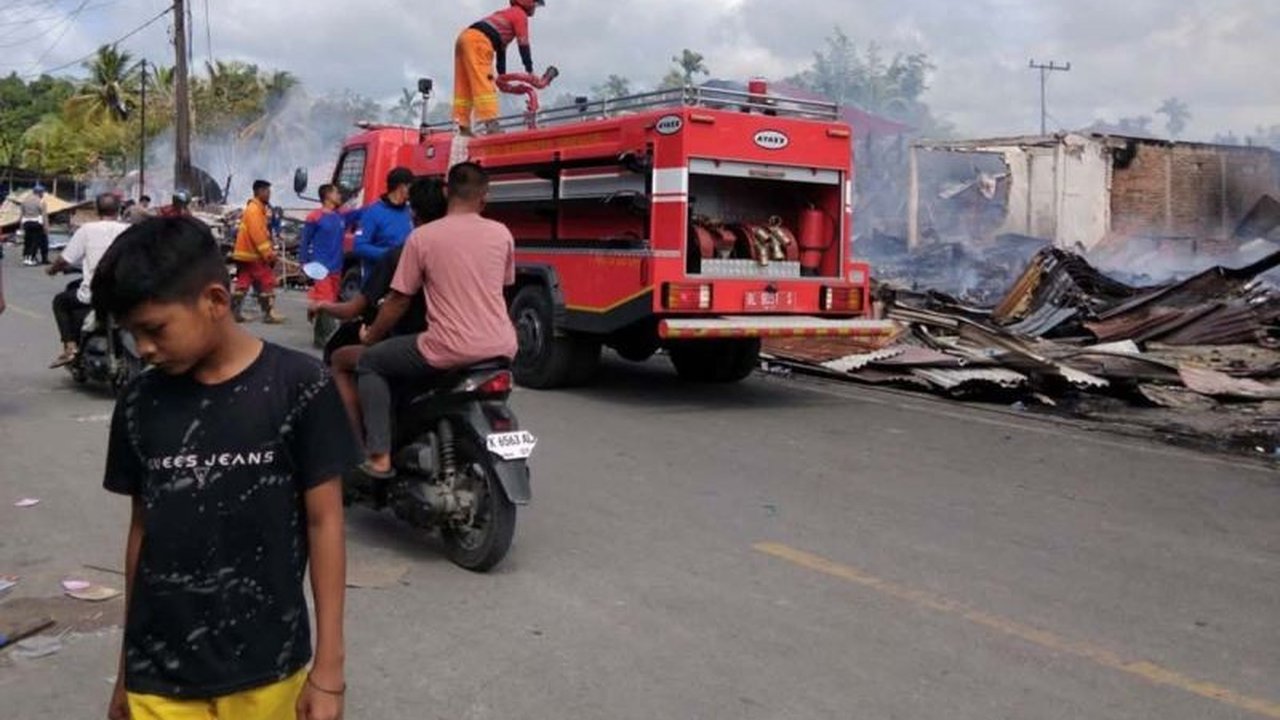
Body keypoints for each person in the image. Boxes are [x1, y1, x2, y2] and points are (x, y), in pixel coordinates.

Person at [93, 217, 358, 720]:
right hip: (160, 675)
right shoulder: (138, 402)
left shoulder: (299, 387)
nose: (144, 349)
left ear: (215, 302)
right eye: (133, 334)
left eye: (154, 330)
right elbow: (142, 532)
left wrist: (329, 670)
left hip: (269, 669)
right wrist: (126, 672)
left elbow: (326, 524)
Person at [355, 163, 517, 477]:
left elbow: (398, 301)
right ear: (485, 198)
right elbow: (502, 287)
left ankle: (379, 456)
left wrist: (371, 336)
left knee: (371, 362)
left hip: (448, 346)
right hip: (502, 346)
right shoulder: (502, 234)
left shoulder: (424, 237)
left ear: (448, 192)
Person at [312, 178, 444, 443]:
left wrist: (325, 307)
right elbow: (358, 245)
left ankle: (367, 447)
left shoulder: (405, 252)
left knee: (350, 359)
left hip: (418, 337)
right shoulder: (457, 248)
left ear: (413, 212)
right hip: (341, 272)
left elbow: (392, 304)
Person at [45, 193, 129, 367]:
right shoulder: (129, 230)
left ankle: (70, 348)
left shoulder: (87, 230)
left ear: (97, 210)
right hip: (124, 295)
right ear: (119, 209)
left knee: (60, 301)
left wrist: (52, 269)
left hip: (94, 294)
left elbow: (64, 260)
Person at [454, 0, 545, 135]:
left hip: (464, 38)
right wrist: (530, 70)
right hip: (479, 42)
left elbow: (501, 51)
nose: (535, 8)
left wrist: (502, 76)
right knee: (484, 81)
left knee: (464, 84)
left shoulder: (505, 15)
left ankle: (462, 125)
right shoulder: (520, 15)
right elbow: (523, 43)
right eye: (536, 4)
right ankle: (492, 125)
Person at [231, 180, 285, 324]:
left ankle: (233, 313)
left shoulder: (256, 209)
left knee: (243, 282)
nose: (269, 194)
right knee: (267, 281)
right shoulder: (255, 210)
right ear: (259, 192)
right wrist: (268, 254)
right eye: (267, 191)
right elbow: (258, 235)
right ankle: (269, 314)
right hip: (253, 254)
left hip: (245, 253)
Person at [352, 167, 413, 279]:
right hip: (377, 283)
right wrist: (391, 254)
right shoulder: (371, 213)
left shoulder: (411, 212)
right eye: (411, 187)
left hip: (403, 281)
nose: (413, 191)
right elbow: (359, 246)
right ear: (401, 187)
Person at [301, 184, 346, 310]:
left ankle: (313, 308)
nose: (339, 195)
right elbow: (305, 241)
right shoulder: (314, 217)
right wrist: (303, 262)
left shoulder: (340, 217)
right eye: (336, 192)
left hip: (336, 267)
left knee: (332, 299)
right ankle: (324, 327)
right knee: (327, 301)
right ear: (328, 196)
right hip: (319, 266)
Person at [20, 184, 50, 266]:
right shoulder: (41, 201)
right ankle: (31, 258)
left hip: (26, 223)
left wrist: (21, 227)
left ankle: (26, 258)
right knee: (35, 241)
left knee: (27, 241)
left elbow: (22, 214)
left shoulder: (25, 201)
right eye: (42, 192)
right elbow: (44, 216)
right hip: (36, 224)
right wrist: (46, 227)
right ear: (40, 193)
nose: (43, 194)